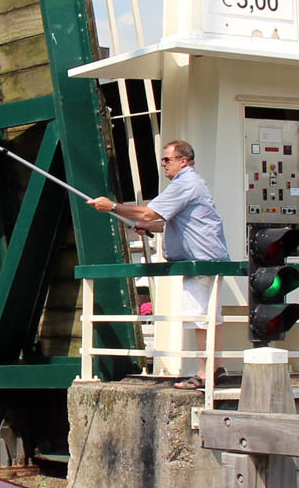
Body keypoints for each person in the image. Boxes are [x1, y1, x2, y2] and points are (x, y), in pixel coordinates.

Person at [87, 140, 230, 390]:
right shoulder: (191, 184)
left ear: (183, 161)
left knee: (201, 319)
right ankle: (216, 369)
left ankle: (205, 374)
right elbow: (167, 222)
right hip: (210, 259)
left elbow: (148, 213)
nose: (163, 164)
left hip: (201, 262)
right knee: (211, 319)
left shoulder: (185, 184)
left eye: (167, 160)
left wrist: (111, 206)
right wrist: (148, 227)